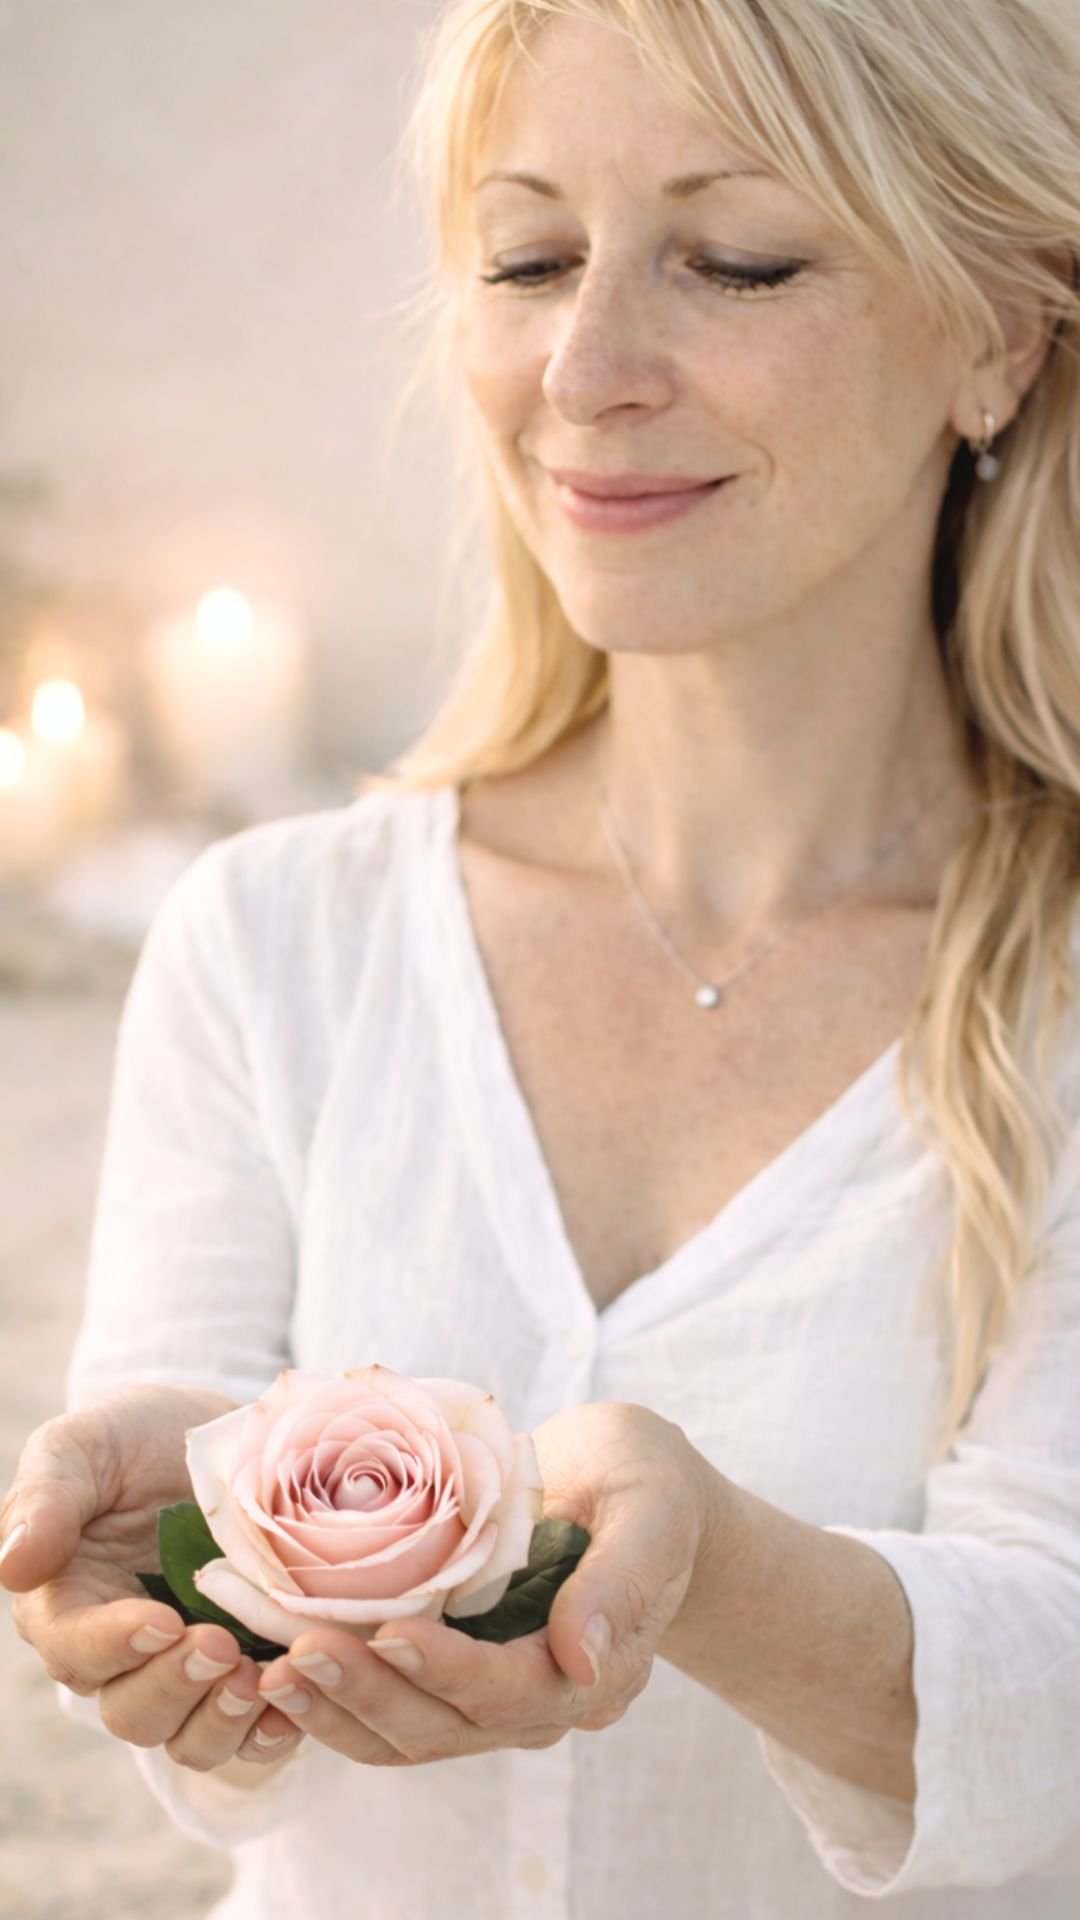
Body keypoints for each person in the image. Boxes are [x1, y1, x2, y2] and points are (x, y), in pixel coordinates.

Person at [3, 0, 1080, 1913]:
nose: (585, 367)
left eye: (733, 258)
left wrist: (715, 1571)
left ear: (996, 329)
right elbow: (214, 1781)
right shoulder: (273, 945)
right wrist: (174, 1618)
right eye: (527, 259)